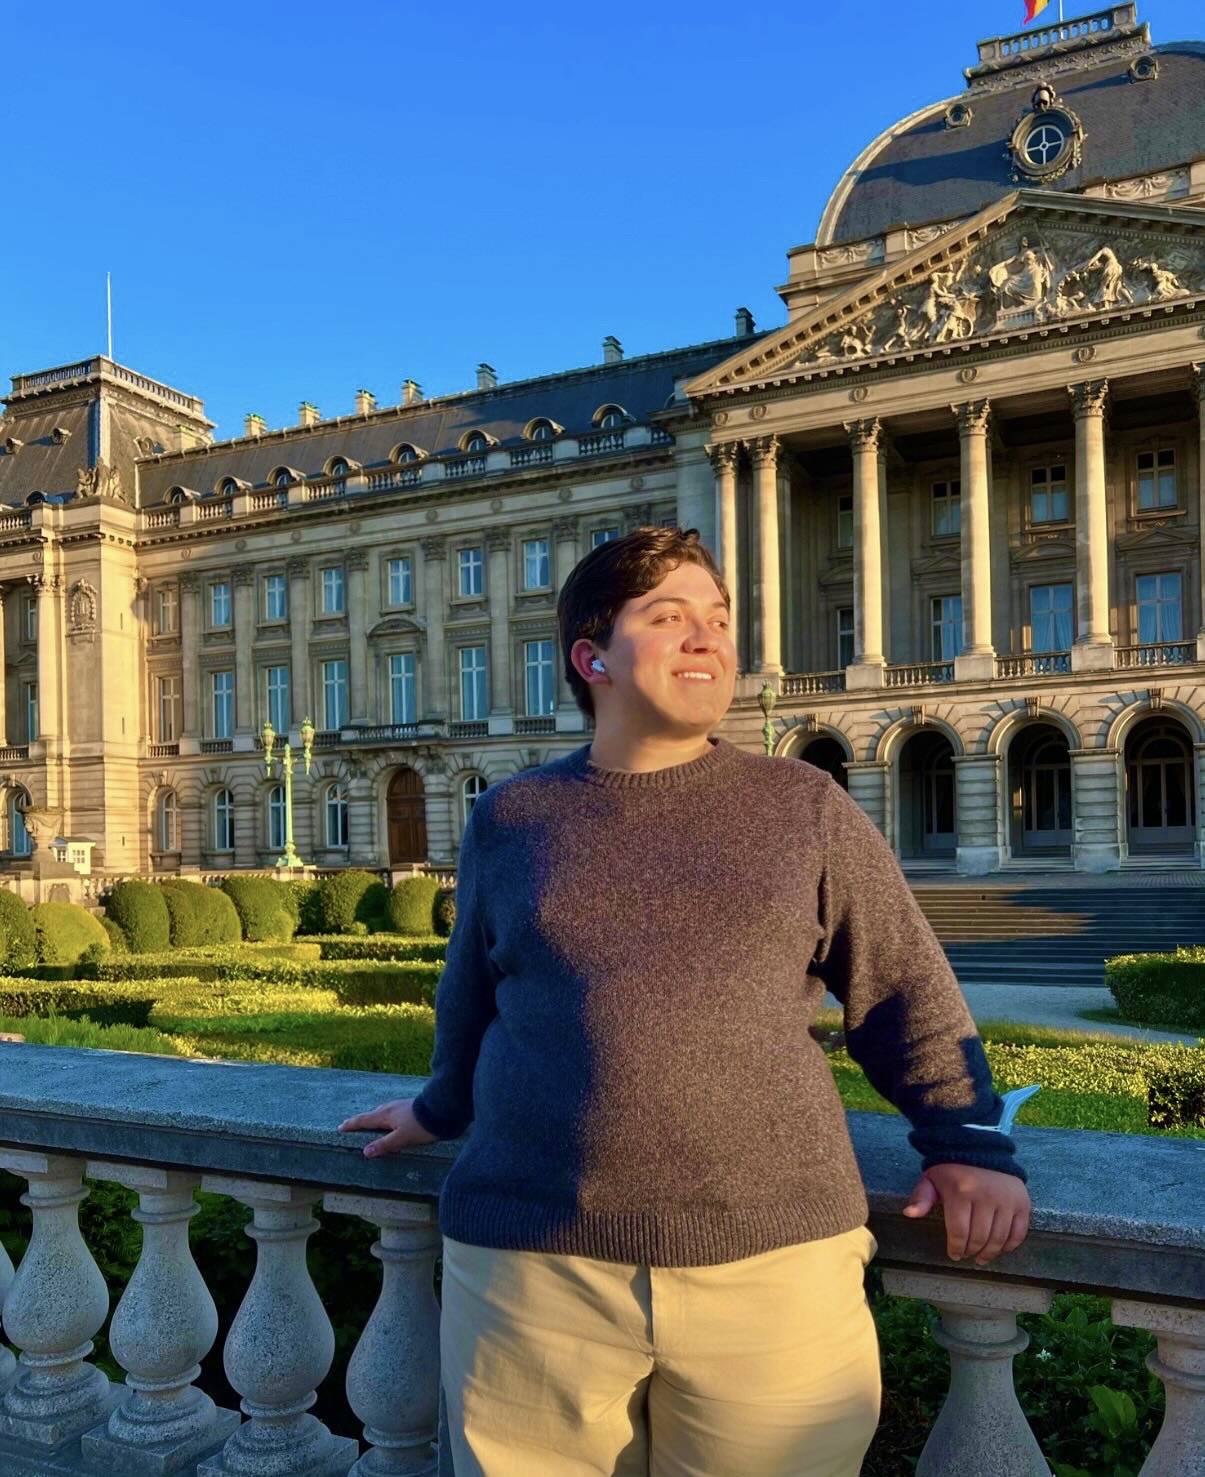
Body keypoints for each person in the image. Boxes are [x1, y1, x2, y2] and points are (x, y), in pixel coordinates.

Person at [337, 525, 1031, 1476]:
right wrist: (435, 1106)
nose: (706, 639)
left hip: (772, 1264)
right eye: (668, 618)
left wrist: (968, 1144)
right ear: (592, 659)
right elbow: (475, 996)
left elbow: (903, 989)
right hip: (532, 1264)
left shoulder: (804, 805)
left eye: (716, 619)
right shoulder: (514, 817)